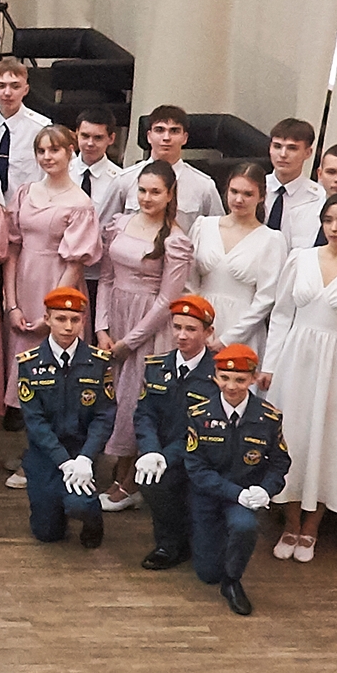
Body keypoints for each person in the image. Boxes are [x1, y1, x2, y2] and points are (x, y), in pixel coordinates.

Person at [261, 193, 337, 559]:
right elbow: (282, 315)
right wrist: (270, 364)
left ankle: (312, 527)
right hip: (295, 360)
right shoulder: (300, 259)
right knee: (292, 437)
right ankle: (289, 522)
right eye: (329, 220)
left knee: (325, 440)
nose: (335, 228)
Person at [95, 160, 195, 510]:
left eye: (155, 192)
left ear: (169, 195)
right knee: (111, 396)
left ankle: (129, 482)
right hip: (116, 315)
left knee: (135, 400)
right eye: (142, 190)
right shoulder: (120, 224)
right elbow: (106, 277)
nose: (147, 198)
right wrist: (102, 328)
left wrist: (130, 341)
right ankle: (116, 469)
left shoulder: (176, 241)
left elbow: (168, 300)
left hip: (148, 325)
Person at [179, 345, 287, 617]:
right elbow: (196, 468)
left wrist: (266, 490)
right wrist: (234, 492)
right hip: (208, 496)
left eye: (240, 379)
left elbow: (279, 463)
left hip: (244, 496)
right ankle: (207, 542)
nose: (231, 386)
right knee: (207, 574)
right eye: (224, 378)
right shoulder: (199, 414)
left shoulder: (268, 417)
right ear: (215, 377)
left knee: (244, 526)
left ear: (253, 379)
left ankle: (233, 581)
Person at [16, 287, 115, 547]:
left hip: (82, 451)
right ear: (47, 319)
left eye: (75, 319)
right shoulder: (30, 363)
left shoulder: (98, 363)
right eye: (61, 319)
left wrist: (85, 458)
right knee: (47, 533)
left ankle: (92, 519)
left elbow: (104, 415)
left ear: (83, 321)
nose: (68, 327)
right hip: (45, 455)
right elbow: (34, 421)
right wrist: (63, 461)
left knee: (79, 504)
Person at [132, 295, 218, 575]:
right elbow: (144, 414)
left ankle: (198, 537)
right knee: (151, 480)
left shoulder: (219, 374)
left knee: (208, 562)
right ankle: (168, 544)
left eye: (191, 329)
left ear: (208, 332)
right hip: (164, 454)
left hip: (203, 459)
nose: (181, 335)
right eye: (177, 327)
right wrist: (150, 450)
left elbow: (205, 429)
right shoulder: (157, 366)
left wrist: (166, 456)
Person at [4, 126, 105, 365]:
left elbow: (75, 265)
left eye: (54, 150)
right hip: (23, 281)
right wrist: (11, 305)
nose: (47, 157)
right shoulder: (25, 192)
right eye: (41, 151)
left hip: (58, 282)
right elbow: (12, 248)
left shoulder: (80, 203)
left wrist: (52, 310)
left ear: (70, 151)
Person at [191, 163, 286, 359]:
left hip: (243, 329)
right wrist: (196, 323)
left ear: (262, 197)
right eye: (234, 191)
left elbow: (266, 298)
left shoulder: (271, 239)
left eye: (248, 194)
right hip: (199, 321)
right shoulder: (203, 226)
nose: (239, 199)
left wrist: (228, 338)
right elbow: (188, 281)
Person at [122, 104, 223, 219]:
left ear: (185, 138)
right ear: (149, 136)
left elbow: (218, 227)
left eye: (174, 131)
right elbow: (107, 225)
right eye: (159, 130)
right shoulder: (125, 180)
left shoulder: (204, 186)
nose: (166, 138)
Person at [0, 60, 53, 202]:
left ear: (26, 90)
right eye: (1, 86)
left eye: (15, 86)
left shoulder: (41, 128)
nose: (7, 93)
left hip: (24, 204)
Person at [260, 118, 322, 237]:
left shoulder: (319, 198)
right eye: (277, 146)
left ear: (308, 153)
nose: (283, 154)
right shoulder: (254, 189)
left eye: (292, 148)